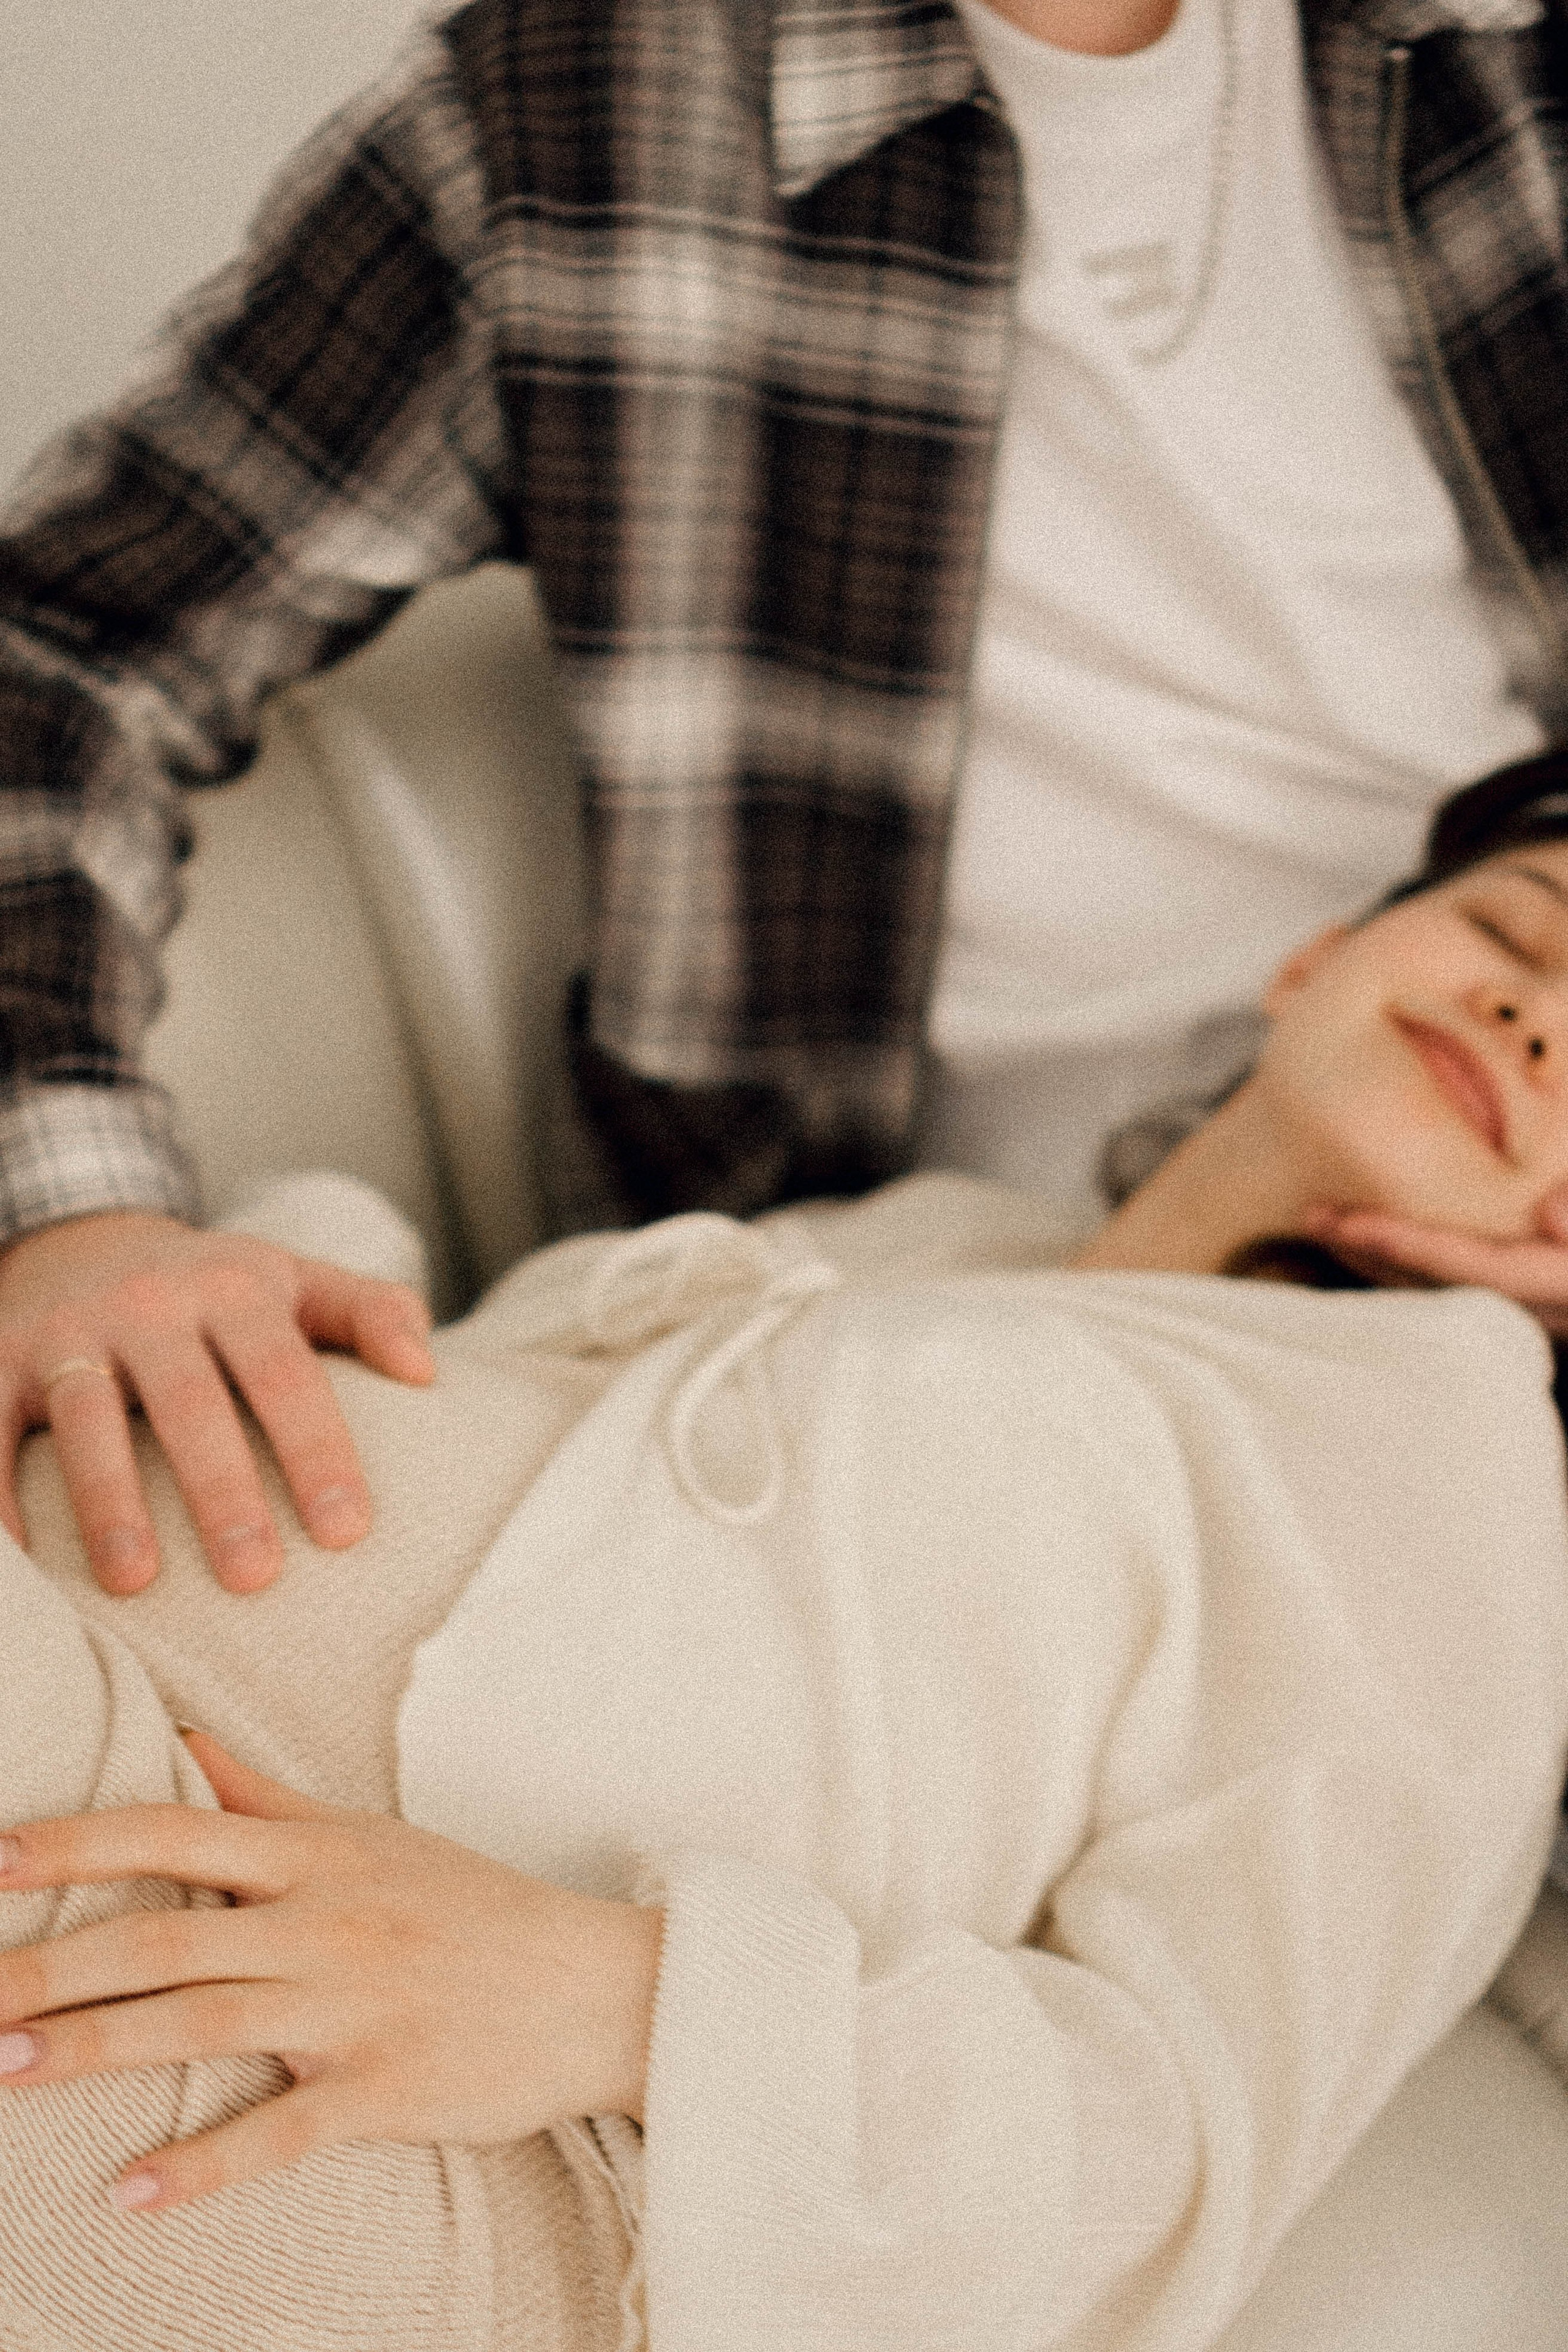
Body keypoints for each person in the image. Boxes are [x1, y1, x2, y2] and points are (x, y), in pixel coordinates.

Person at [8, 0, 1568, 1599]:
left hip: (1501, 1391)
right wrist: (70, 1212)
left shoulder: (1514, 59)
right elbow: (57, 648)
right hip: (871, 1433)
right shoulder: (573, 120)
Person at [1, 763, 1567, 2350]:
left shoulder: (1458, 1463)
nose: (1536, 1023)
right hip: (135, 1770)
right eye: (1518, 934)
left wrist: (633, 2001)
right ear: (1316, 958)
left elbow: (1184, 2119)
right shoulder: (961, 1236)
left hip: (386, 2123)